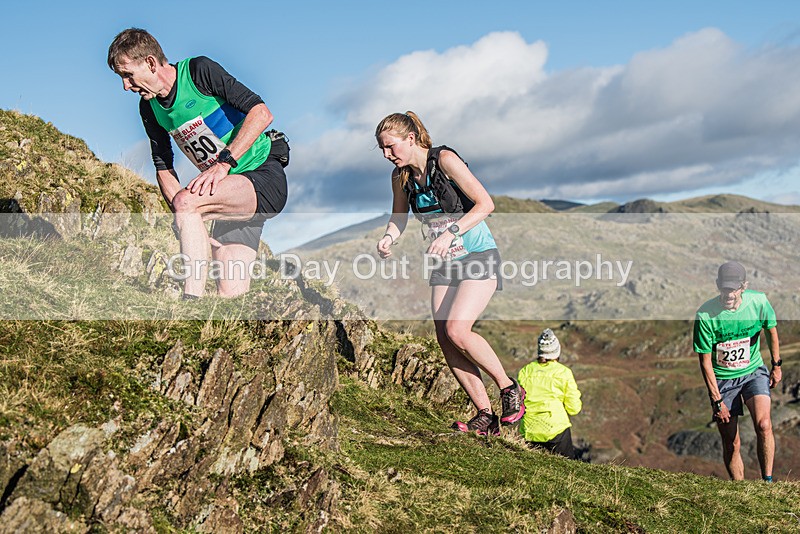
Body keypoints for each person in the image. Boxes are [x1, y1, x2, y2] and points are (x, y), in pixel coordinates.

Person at [107, 28, 288, 299]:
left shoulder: (198, 71)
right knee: (230, 297)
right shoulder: (149, 108)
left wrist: (223, 163)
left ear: (151, 63)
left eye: (127, 75)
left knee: (188, 202)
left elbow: (261, 113)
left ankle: (189, 302)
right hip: (227, 193)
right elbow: (163, 166)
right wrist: (181, 216)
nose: (125, 86)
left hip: (262, 174)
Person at [375, 111, 525, 436]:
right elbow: (398, 217)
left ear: (410, 139)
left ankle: (509, 388)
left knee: (458, 329)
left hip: (478, 254)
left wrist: (451, 232)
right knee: (445, 338)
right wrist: (389, 237)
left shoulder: (444, 159)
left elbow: (485, 204)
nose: (387, 155)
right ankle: (485, 416)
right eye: (382, 150)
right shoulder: (399, 177)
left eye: (390, 147)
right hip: (444, 263)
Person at [693, 261, 782, 481]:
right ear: (717, 285)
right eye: (724, 288)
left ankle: (767, 482)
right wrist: (717, 400)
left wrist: (776, 365)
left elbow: (771, 330)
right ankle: (739, 490)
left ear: (744, 286)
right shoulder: (705, 315)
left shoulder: (758, 302)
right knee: (732, 442)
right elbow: (704, 361)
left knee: (764, 424)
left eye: (733, 289)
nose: (728, 294)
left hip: (753, 371)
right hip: (723, 379)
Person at [517, 329, 582, 459]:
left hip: (529, 430)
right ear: (556, 352)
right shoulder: (563, 372)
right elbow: (574, 409)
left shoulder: (524, 371)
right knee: (567, 469)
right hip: (556, 430)